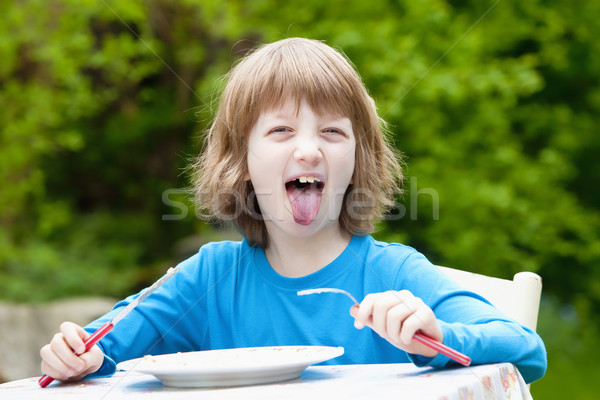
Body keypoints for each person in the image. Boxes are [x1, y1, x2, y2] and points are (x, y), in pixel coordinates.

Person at [39, 37, 547, 384]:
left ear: (358, 160)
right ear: (240, 161)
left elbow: (525, 349)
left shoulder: (394, 273)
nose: (309, 150)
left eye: (332, 132)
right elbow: (100, 350)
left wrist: (438, 338)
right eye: (281, 131)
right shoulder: (208, 279)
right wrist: (76, 355)